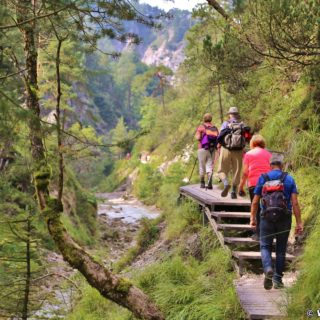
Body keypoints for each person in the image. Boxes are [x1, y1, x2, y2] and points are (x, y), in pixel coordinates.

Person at [250, 153, 303, 290]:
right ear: (282, 164)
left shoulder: (263, 178)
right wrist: (299, 222)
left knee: (265, 246)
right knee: (280, 250)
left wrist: (252, 219)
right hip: (284, 218)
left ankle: (268, 268)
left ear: (270, 165)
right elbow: (295, 203)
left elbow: (255, 201)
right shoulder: (289, 179)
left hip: (266, 218)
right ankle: (278, 280)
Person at [238, 135, 272, 239]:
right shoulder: (268, 154)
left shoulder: (248, 154)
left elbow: (245, 173)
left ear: (252, 143)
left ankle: (258, 233)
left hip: (254, 183)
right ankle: (268, 232)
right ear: (263, 144)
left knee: (256, 207)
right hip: (268, 184)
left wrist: (241, 187)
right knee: (267, 207)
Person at [217, 106, 246, 199]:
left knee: (221, 170)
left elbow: (220, 136)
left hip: (226, 149)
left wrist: (221, 145)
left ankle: (226, 184)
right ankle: (233, 191)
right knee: (237, 171)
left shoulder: (226, 124)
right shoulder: (242, 125)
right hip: (238, 151)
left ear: (229, 114)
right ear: (237, 115)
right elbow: (246, 138)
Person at [195, 113, 219, 189]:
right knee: (209, 166)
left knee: (202, 166)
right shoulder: (214, 127)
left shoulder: (201, 127)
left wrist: (201, 137)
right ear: (211, 119)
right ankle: (209, 183)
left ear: (204, 119)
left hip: (202, 148)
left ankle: (202, 183)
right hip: (212, 149)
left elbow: (198, 138)